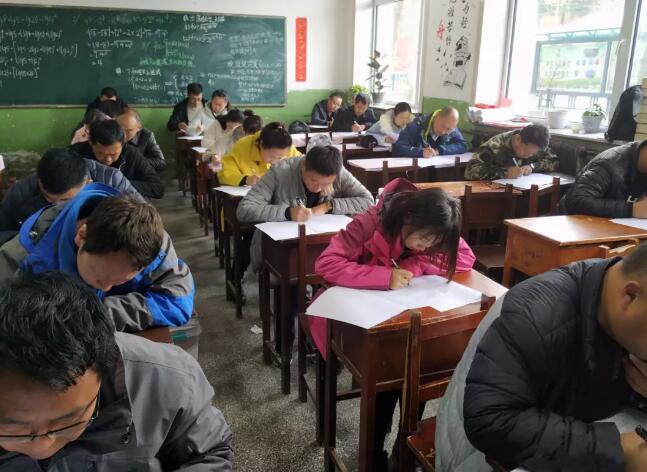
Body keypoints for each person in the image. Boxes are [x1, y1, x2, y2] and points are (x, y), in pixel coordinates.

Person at [435, 245, 647, 472]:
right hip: (473, 455)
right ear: (630, 296)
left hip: (565, 431)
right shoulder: (534, 316)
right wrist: (615, 451)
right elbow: (490, 420)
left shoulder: (621, 310)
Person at [313, 178, 476, 471]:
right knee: (390, 379)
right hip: (360, 321)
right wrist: (384, 277)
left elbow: (464, 258)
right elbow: (326, 263)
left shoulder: (436, 228)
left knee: (419, 367)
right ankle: (375, 454)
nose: (429, 246)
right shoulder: (369, 222)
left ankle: (404, 450)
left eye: (435, 242)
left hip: (405, 321)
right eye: (424, 238)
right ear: (408, 217)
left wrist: (417, 264)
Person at [0, 271, 232, 470]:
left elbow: (209, 453)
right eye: (13, 428)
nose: (42, 448)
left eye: (68, 421)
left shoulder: (168, 379)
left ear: (103, 372)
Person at [0, 184, 194, 331]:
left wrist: (103, 313)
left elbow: (177, 300)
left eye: (119, 281)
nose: (106, 288)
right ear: (81, 236)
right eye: (100, 277)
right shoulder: (23, 259)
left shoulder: (147, 240)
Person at [0, 148, 141, 240]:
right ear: (39, 180)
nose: (56, 206)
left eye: (64, 200)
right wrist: (30, 238)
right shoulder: (21, 193)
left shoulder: (112, 181)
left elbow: (142, 221)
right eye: (48, 199)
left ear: (88, 183)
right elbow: (3, 232)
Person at [69, 120, 164, 199]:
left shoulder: (131, 153)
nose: (108, 159)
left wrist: (120, 183)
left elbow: (157, 188)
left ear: (123, 144)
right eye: (101, 153)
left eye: (114, 154)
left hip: (121, 207)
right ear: (90, 143)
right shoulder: (75, 154)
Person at [560, 141, 647, 218]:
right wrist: (631, 209)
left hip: (618, 226)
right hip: (576, 223)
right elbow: (576, 201)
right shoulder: (609, 164)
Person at [217, 122, 301, 187]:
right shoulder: (243, 146)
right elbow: (224, 173)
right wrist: (246, 179)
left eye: (280, 158)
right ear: (261, 144)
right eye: (271, 157)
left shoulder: (287, 147)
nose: (274, 162)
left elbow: (303, 168)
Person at [464, 124, 558, 180]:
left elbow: (554, 161)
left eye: (533, 154)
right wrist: (505, 173)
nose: (529, 156)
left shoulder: (535, 143)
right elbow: (470, 171)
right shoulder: (494, 146)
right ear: (518, 139)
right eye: (526, 152)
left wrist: (532, 166)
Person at [392, 106, 467, 157]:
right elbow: (397, 148)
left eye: (448, 129)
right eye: (443, 126)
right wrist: (421, 152)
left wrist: (439, 150)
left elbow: (462, 145)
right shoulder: (415, 126)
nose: (443, 131)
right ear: (436, 116)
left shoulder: (451, 126)